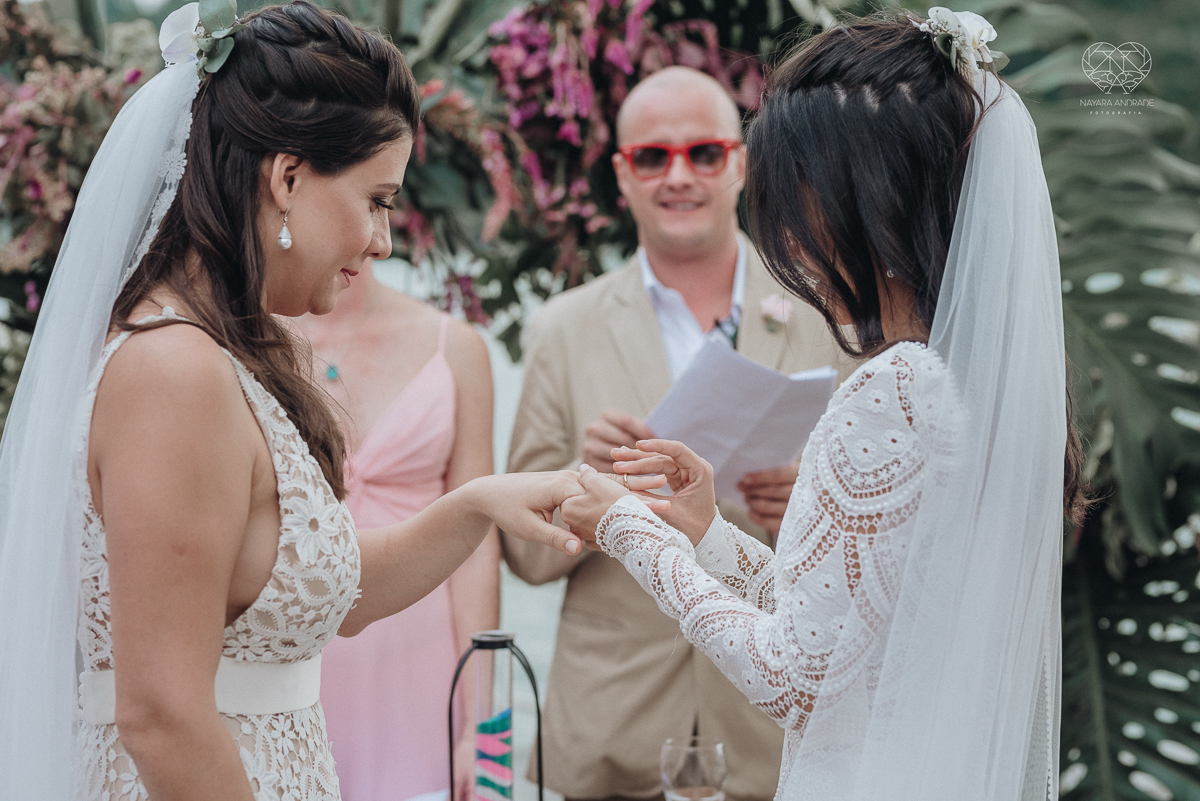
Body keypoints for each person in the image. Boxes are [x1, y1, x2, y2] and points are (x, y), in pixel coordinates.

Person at [0, 3, 583, 799]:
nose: (384, 239)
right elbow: (161, 715)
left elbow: (327, 587)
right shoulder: (174, 372)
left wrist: (480, 502)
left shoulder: (226, 352)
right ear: (287, 178)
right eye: (377, 199)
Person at [561, 10, 1086, 801]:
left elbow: (795, 678)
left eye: (796, 200)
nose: (792, 239)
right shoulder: (968, 386)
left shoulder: (891, 391)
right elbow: (842, 630)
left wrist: (628, 529)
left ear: (857, 202)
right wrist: (708, 534)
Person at [503, 66, 854, 800]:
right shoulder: (562, 329)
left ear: (741, 164)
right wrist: (583, 483)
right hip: (612, 723)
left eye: (703, 152)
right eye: (653, 157)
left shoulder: (827, 314)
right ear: (622, 175)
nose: (679, 176)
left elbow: (878, 542)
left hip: (774, 728)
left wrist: (813, 501)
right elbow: (526, 560)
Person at [294, 260, 498, 801]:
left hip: (424, 676)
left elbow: (478, 550)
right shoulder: (244, 342)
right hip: (295, 665)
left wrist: (483, 728)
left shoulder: (456, 348)